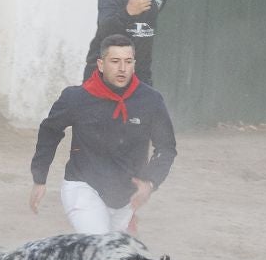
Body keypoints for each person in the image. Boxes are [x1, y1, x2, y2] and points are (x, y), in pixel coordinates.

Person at [31, 34, 177, 235]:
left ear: (134, 64)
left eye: (128, 62)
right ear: (101, 64)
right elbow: (50, 131)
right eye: (115, 61)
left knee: (118, 253)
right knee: (100, 243)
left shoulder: (150, 101)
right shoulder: (77, 98)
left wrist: (150, 182)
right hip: (83, 186)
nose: (122, 68)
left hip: (126, 197)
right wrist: (39, 177)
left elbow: (166, 148)